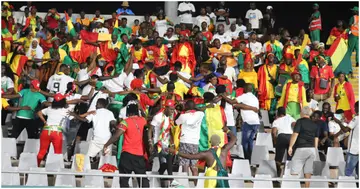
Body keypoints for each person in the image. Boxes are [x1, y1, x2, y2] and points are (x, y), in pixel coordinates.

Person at [169, 126, 236, 188]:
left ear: (210, 142)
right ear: (220, 142)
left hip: (211, 178)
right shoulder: (224, 150)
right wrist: (227, 130)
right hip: (222, 177)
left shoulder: (206, 153)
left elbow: (190, 157)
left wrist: (176, 152)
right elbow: (234, 139)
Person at [103, 100, 150, 187]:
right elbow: (147, 119)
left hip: (127, 154)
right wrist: (142, 110)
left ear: (128, 112)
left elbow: (116, 136)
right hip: (139, 155)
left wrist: (106, 144)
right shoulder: (143, 120)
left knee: (124, 179)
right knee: (142, 178)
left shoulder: (125, 122)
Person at [149, 99, 179, 187]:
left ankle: (157, 176)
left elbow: (169, 131)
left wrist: (172, 143)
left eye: (173, 109)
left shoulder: (169, 117)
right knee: (169, 155)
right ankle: (171, 179)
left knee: (165, 164)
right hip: (157, 143)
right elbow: (150, 129)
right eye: (171, 109)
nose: (172, 111)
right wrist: (150, 142)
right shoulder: (158, 117)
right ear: (166, 108)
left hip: (166, 142)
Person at [288, 106, 319, 188]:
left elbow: (295, 134)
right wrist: (315, 150)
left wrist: (290, 146)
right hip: (312, 149)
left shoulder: (299, 121)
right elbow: (316, 138)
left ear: (302, 113)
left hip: (301, 148)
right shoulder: (314, 124)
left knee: (294, 171)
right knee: (308, 171)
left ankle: (294, 187)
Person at [175, 100, 204, 185]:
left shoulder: (183, 116)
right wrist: (191, 107)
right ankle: (197, 185)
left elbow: (175, 122)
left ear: (186, 107)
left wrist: (180, 112)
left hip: (185, 141)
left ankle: (185, 185)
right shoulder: (200, 114)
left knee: (185, 166)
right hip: (195, 142)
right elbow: (200, 110)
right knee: (194, 167)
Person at [36, 93, 68, 165]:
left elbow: (39, 113)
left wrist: (44, 121)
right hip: (56, 132)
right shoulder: (64, 111)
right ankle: (56, 170)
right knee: (57, 153)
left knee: (42, 151)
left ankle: (36, 167)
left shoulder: (49, 108)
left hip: (46, 131)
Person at [332, 101, 359, 177]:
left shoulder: (356, 118)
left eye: (355, 107)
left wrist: (338, 122)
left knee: (348, 173)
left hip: (354, 150)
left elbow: (345, 130)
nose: (354, 108)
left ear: (357, 107)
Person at [272, 107, 296, 177]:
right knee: (290, 157)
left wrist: (275, 141)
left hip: (281, 137)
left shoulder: (276, 121)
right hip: (290, 137)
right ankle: (288, 173)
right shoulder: (291, 118)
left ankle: (278, 172)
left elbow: (274, 132)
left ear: (278, 113)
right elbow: (295, 125)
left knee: (278, 158)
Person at [258, 53, 278, 121]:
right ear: (267, 58)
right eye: (269, 56)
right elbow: (258, 80)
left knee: (272, 110)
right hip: (264, 91)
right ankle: (265, 124)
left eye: (272, 56)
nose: (271, 57)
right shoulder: (261, 68)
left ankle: (272, 123)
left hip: (274, 91)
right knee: (263, 109)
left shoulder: (277, 68)